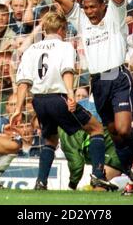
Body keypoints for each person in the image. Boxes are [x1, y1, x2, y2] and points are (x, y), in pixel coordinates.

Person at [30, 0, 133, 192]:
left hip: (118, 77)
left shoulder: (115, 15)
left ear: (103, 6)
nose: (90, 11)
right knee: (115, 134)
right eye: (87, 7)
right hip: (98, 82)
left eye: (94, 7)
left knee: (124, 129)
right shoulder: (81, 20)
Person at [12, 12, 117, 191]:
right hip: (58, 97)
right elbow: (67, 71)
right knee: (96, 128)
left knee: (50, 139)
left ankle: (41, 182)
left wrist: (18, 108)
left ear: (45, 29)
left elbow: (23, 82)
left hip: (39, 101)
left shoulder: (31, 50)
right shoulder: (65, 47)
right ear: (62, 29)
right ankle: (98, 177)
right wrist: (70, 94)